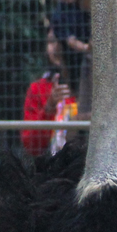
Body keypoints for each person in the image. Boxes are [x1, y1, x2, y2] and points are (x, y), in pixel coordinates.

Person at [21, 27, 75, 157]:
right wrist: (49, 107)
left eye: (59, 41)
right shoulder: (37, 88)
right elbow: (30, 145)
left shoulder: (91, 85)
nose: (55, 48)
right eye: (50, 42)